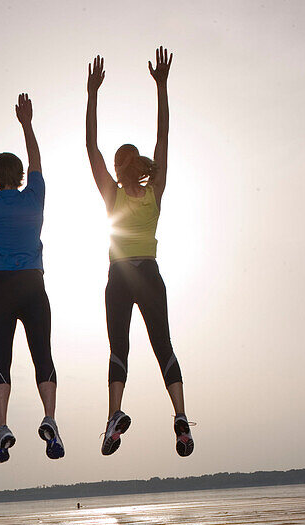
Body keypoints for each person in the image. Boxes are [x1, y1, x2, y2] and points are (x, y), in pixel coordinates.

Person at [86, 47, 194, 458]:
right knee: (163, 345)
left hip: (119, 276)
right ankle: (180, 417)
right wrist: (162, 87)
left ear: (117, 169)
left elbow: (90, 146)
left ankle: (115, 416)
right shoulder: (154, 193)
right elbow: (163, 137)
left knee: (119, 349)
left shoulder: (112, 195)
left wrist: (92, 94)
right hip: (150, 273)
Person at [0, 95, 65, 464]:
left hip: (1, 289)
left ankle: (2, 427)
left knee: (1, 360)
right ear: (21, 177)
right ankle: (50, 418)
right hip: (34, 287)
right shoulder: (34, 197)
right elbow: (37, 160)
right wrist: (27, 123)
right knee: (43, 356)